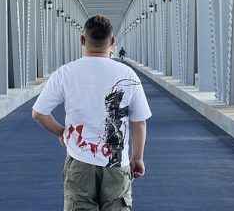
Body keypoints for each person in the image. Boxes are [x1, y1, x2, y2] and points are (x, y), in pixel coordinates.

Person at [32, 15, 152, 211]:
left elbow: (38, 113)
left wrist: (61, 132)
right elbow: (139, 122)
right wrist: (137, 158)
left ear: (82, 40)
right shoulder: (127, 74)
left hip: (80, 162)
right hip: (116, 162)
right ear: (112, 42)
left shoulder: (66, 72)